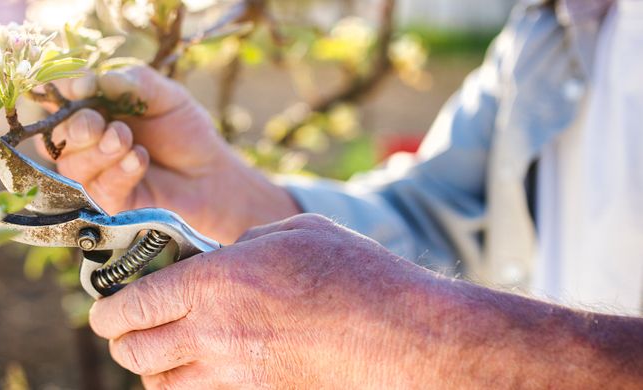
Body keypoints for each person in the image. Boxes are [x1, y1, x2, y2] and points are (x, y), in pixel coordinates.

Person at [41, 0, 643, 387]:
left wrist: (426, 341)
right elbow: (438, 219)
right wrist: (224, 192)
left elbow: (418, 314)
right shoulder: (556, 25)